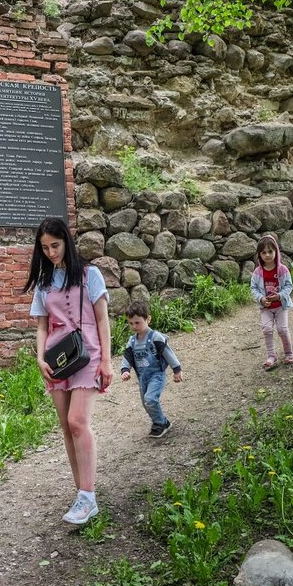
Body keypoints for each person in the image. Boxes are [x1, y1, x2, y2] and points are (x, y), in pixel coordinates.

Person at [25, 216, 112, 526]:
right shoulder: (45, 283)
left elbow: (102, 319)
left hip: (87, 353)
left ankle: (88, 499)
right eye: (45, 247)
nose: (50, 252)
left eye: (56, 245)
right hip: (57, 358)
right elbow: (41, 325)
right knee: (66, 427)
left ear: (67, 241)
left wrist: (107, 360)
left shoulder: (90, 275)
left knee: (78, 422)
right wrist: (39, 358)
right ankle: (81, 493)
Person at [119, 300, 184, 438]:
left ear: (148, 319)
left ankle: (160, 423)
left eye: (137, 322)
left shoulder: (156, 337)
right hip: (142, 377)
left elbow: (168, 353)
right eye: (131, 323)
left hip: (156, 375)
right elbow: (127, 357)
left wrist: (177, 369)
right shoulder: (132, 341)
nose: (134, 326)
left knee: (150, 399)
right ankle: (161, 422)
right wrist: (125, 370)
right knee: (146, 403)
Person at [250, 234, 293, 370]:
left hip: (281, 306)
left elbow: (289, 286)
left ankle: (288, 353)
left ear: (276, 251)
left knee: (282, 329)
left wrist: (280, 296)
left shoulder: (282, 270)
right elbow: (253, 288)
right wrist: (261, 299)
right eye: (264, 252)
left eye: (270, 251)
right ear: (259, 254)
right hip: (266, 308)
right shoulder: (257, 272)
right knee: (267, 329)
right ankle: (271, 355)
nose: (267, 255)